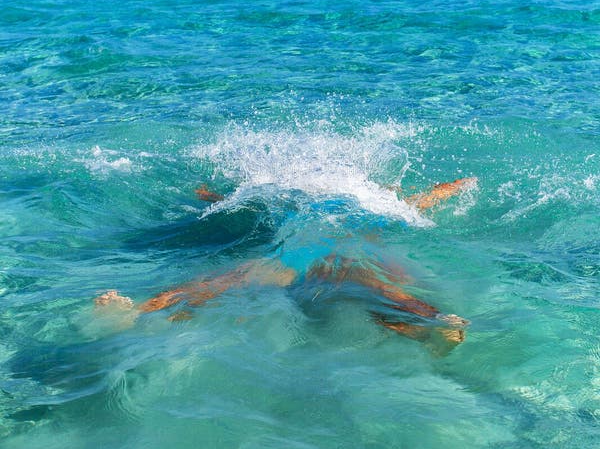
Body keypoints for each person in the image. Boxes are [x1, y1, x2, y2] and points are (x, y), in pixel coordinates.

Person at [96, 176, 476, 349]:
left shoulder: (365, 202)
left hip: (296, 256)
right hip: (335, 257)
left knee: (222, 281)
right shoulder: (367, 204)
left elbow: (237, 200)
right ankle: (431, 325)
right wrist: (445, 191)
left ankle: (141, 313)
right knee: (376, 291)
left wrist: (209, 195)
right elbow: (416, 204)